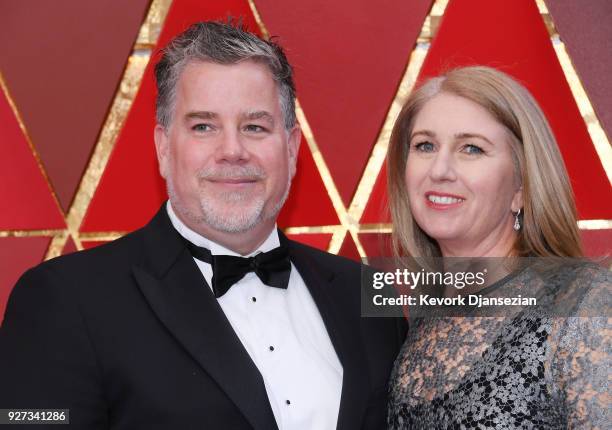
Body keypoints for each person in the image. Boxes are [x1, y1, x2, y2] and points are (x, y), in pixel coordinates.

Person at [0, 21, 406, 429]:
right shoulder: (64, 300)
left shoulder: (366, 296)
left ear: (292, 147)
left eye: (254, 126)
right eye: (203, 127)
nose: (232, 150)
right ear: (163, 148)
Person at [385, 66, 610, 428]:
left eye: (471, 148)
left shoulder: (585, 305)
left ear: (521, 185)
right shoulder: (422, 314)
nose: (440, 169)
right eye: (425, 145)